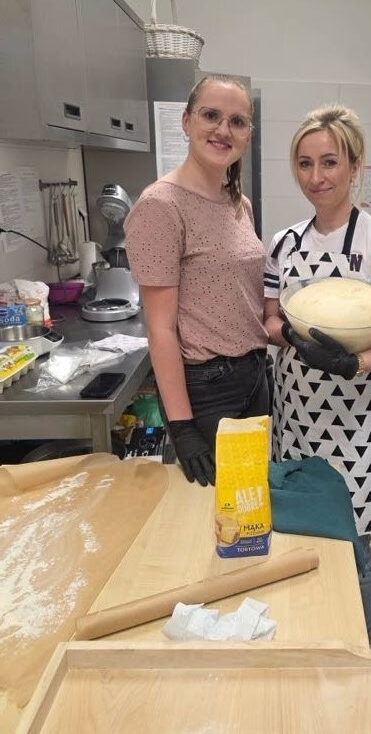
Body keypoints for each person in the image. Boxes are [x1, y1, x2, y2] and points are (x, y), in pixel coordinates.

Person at [264, 105, 371, 644]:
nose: (316, 176)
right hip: (296, 414)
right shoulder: (284, 243)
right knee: (301, 531)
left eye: (329, 162)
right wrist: (293, 339)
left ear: (354, 166)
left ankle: (361, 644)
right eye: (305, 163)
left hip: (359, 422)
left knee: (353, 543)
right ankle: (311, 633)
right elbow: (270, 319)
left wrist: (354, 363)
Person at [125, 74, 268, 487]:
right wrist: (183, 426)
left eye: (237, 121)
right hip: (207, 390)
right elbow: (160, 329)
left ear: (247, 134)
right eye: (211, 116)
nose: (223, 130)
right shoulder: (160, 205)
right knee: (215, 505)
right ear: (187, 122)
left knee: (249, 498)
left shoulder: (238, 203)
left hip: (254, 376)